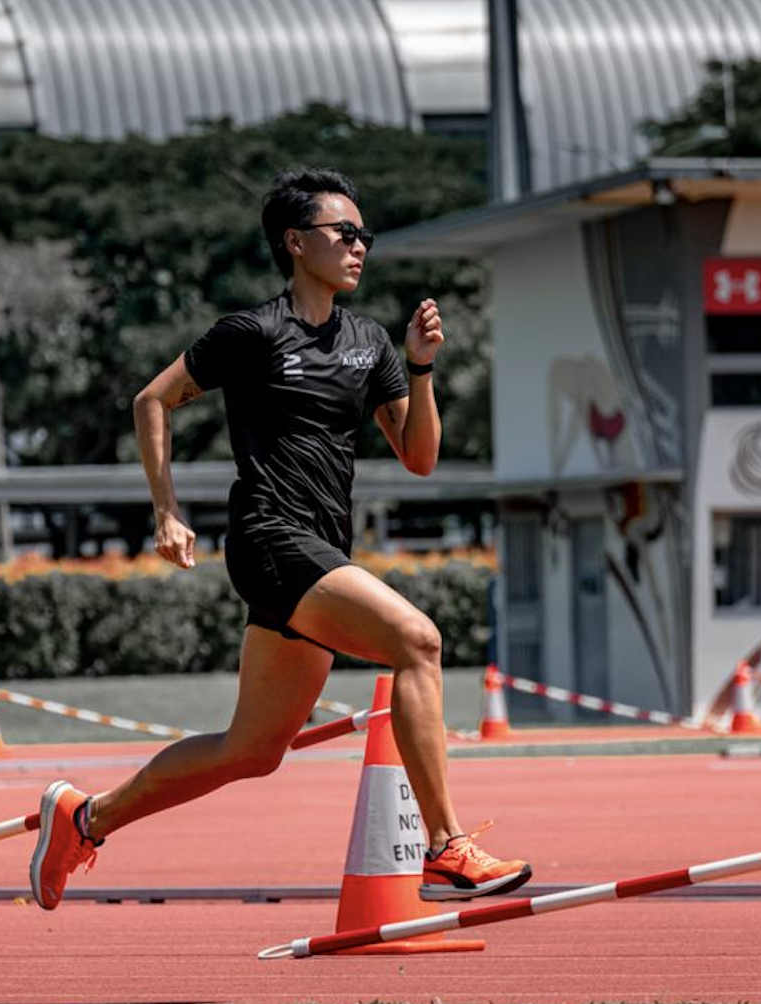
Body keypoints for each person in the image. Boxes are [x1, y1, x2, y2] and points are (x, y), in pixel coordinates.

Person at [29, 167, 531, 911]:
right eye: (345, 234)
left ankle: (85, 817)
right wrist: (165, 510)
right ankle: (447, 845)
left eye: (366, 236)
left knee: (252, 751)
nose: (360, 247)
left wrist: (420, 367)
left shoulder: (368, 343)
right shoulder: (252, 332)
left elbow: (419, 457)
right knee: (417, 641)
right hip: (269, 538)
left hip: (323, 549)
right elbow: (153, 400)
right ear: (296, 244)